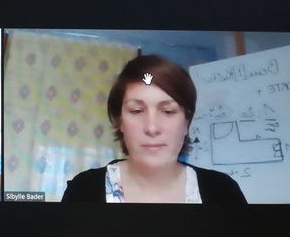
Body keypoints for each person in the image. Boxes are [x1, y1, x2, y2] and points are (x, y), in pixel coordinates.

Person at [61, 54, 247, 204]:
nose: (151, 128)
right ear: (120, 121)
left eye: (167, 111)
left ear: (186, 122)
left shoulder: (222, 191)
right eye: (137, 110)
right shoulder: (84, 190)